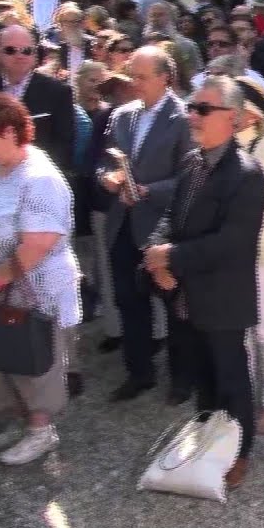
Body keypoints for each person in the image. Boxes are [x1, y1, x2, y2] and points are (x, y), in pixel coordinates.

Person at [142, 76, 264, 490]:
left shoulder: (247, 175)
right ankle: (207, 442)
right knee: (202, 377)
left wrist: (172, 258)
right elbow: (173, 216)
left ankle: (241, 452)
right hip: (186, 293)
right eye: (191, 107)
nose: (192, 116)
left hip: (222, 296)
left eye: (203, 109)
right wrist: (156, 250)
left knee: (231, 378)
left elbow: (232, 243)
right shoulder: (192, 162)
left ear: (231, 119)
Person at [0, 93, 79, 466]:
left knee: (29, 356)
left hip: (29, 289)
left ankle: (41, 430)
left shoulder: (40, 178)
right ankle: (19, 420)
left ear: (10, 132)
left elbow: (38, 243)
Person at [98, 46, 191, 402]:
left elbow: (189, 178)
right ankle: (139, 373)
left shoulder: (183, 118)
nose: (134, 83)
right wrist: (108, 179)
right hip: (123, 223)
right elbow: (104, 163)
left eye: (142, 77)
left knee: (174, 304)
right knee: (128, 300)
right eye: (131, 76)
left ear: (165, 77)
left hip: (162, 226)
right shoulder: (122, 116)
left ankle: (182, 378)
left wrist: (149, 190)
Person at [234, 76, 264, 436]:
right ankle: (246, 395)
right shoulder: (226, 148)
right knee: (242, 331)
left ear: (250, 114)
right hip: (235, 256)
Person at [0, 25, 76, 177]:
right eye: (10, 50)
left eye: (27, 51)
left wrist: (28, 171)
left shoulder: (58, 92)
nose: (20, 56)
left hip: (39, 178)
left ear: (34, 55)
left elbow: (64, 144)